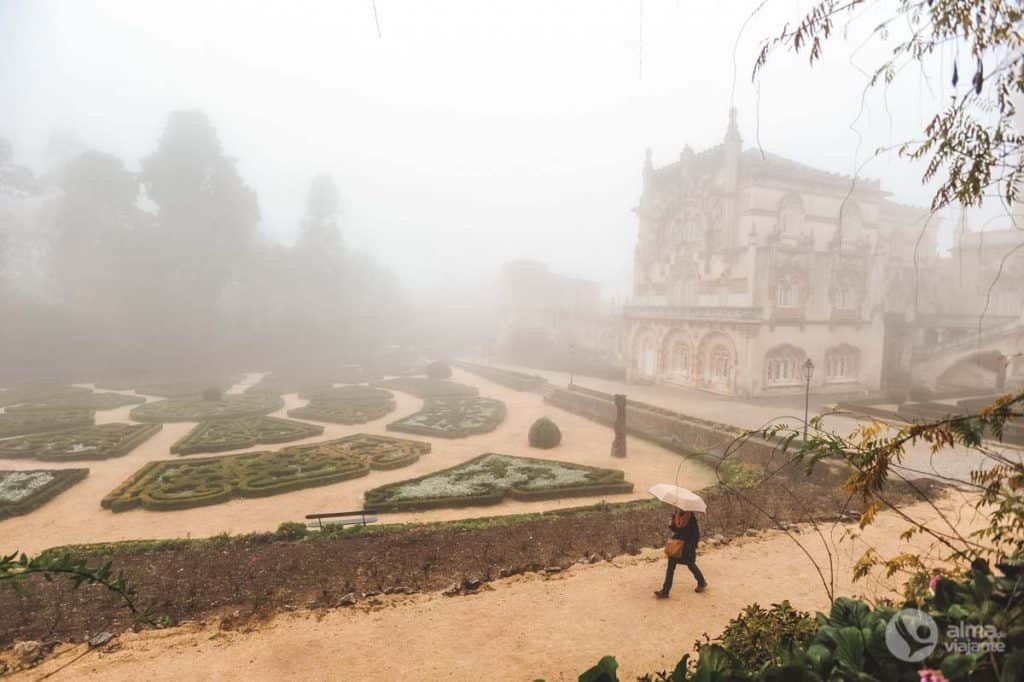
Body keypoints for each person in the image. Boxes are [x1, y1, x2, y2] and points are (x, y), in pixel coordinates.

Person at [654, 509, 707, 598]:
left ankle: (702, 582)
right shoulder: (678, 515)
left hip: (687, 546)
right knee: (670, 567)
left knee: (691, 565)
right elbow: (676, 529)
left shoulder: (691, 518)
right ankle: (665, 591)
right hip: (677, 545)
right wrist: (672, 522)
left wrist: (690, 548)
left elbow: (696, 535)